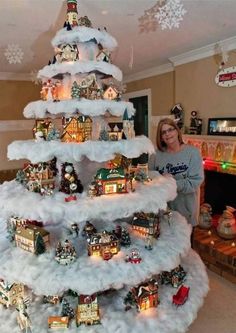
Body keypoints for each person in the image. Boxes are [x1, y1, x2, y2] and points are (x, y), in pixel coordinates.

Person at [149, 117, 204, 229]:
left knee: (184, 246)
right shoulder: (155, 155)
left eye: (170, 129)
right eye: (163, 132)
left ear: (177, 131)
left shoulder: (192, 153)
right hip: (161, 214)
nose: (167, 134)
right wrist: (158, 179)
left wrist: (170, 183)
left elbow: (194, 182)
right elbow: (149, 179)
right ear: (161, 137)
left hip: (185, 214)